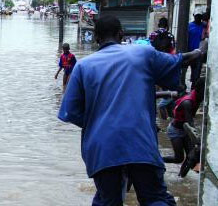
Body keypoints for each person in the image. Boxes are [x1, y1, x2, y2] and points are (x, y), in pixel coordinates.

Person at [58, 15, 203, 205]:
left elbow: (70, 112)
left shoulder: (83, 66)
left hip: (103, 148)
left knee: (108, 200)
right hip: (140, 143)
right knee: (155, 198)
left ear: (96, 38)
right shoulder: (142, 54)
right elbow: (178, 61)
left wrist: (98, 121)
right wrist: (201, 51)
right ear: (121, 34)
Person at [163, 78, 205, 164]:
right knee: (179, 159)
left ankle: (181, 176)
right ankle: (157, 161)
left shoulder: (197, 97)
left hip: (184, 130)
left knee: (191, 158)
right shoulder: (187, 103)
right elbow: (190, 123)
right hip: (175, 131)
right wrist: (199, 141)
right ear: (200, 90)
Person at [187, 13, 204, 86]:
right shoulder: (189, 26)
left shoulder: (204, 26)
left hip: (200, 52)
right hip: (190, 52)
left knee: (197, 71)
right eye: (197, 16)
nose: (198, 18)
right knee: (192, 69)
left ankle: (194, 87)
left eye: (199, 16)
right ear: (194, 16)